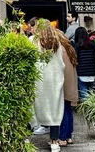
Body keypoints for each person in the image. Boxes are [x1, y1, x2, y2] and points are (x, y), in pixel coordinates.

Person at [33, 20, 65, 152]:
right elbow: (61, 62)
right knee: (54, 110)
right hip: (55, 80)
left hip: (39, 79)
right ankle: (54, 142)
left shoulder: (34, 41)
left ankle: (25, 138)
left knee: (34, 108)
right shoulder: (57, 42)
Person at [56, 30, 78, 146]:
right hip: (71, 83)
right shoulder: (70, 48)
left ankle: (63, 138)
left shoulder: (61, 50)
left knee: (63, 111)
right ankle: (69, 136)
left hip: (64, 83)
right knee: (68, 111)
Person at [74, 27, 95, 100]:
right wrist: (92, 67)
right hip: (92, 73)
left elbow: (75, 59)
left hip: (81, 74)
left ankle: (86, 109)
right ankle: (92, 109)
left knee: (84, 93)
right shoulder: (93, 44)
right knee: (91, 93)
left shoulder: (77, 45)